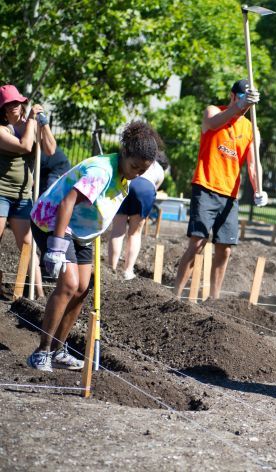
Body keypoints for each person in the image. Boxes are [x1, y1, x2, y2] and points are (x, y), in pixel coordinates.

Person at [27, 121, 163, 371]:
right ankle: (42, 352)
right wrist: (56, 246)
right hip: (53, 222)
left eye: (142, 171)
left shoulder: (126, 176)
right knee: (69, 285)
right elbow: (68, 202)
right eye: (134, 167)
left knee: (82, 289)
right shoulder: (101, 171)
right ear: (124, 154)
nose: (137, 174)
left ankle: (58, 349)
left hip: (82, 232)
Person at [173, 79, 268, 299]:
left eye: (249, 101)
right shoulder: (213, 111)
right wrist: (239, 106)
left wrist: (258, 189)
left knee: (225, 248)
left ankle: (214, 299)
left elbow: (254, 164)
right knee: (197, 242)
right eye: (242, 98)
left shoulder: (252, 129)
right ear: (232, 96)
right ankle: (176, 296)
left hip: (230, 194)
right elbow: (214, 123)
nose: (245, 105)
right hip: (205, 186)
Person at [0, 84, 57, 297]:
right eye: (8, 104)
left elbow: (50, 150)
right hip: (1, 192)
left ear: (22, 103)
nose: (13, 106)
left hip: (23, 196)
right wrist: (32, 121)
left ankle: (38, 293)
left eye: (16, 102)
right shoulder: (1, 130)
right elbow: (25, 146)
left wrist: (44, 124)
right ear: (3, 109)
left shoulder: (32, 124)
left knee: (28, 244)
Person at [108, 152, 169, 280]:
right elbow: (153, 190)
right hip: (145, 188)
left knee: (117, 230)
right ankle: (128, 271)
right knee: (135, 233)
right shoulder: (160, 171)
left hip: (126, 182)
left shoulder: (139, 158)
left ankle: (111, 269)